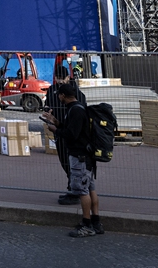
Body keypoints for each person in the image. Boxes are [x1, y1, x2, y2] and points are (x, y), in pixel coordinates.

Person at [54, 83, 102, 237]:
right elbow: (73, 129)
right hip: (87, 156)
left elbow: (72, 134)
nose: (58, 97)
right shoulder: (79, 108)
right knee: (90, 189)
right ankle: (96, 222)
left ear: (62, 95)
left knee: (82, 191)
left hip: (79, 157)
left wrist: (56, 130)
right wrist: (55, 122)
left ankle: (87, 224)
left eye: (59, 95)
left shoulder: (75, 111)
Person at [42, 65, 86, 205]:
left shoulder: (74, 91)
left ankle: (75, 190)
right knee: (64, 159)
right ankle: (72, 186)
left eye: (62, 78)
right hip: (59, 128)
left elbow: (81, 106)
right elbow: (48, 103)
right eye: (58, 78)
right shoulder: (52, 90)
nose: (60, 81)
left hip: (70, 131)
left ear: (68, 77)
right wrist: (49, 113)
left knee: (74, 162)